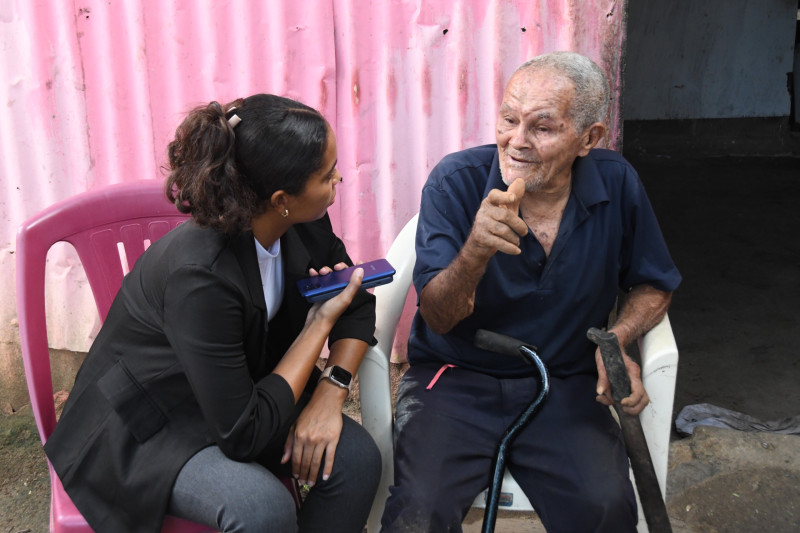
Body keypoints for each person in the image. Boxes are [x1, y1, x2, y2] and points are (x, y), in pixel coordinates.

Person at [44, 94, 381, 533]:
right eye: (326, 175)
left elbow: (355, 304)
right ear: (282, 198)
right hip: (153, 418)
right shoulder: (202, 275)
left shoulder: (303, 222)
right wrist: (317, 326)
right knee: (260, 507)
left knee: (356, 462)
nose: (338, 179)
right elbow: (244, 434)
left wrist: (330, 392)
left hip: (244, 388)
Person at [380, 51, 682, 532]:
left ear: (589, 139)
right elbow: (437, 316)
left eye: (542, 127)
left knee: (605, 509)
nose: (515, 142)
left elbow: (653, 284)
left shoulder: (617, 183)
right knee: (419, 513)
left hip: (565, 381)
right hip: (456, 379)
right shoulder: (455, 183)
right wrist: (477, 247)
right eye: (508, 119)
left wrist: (618, 338)